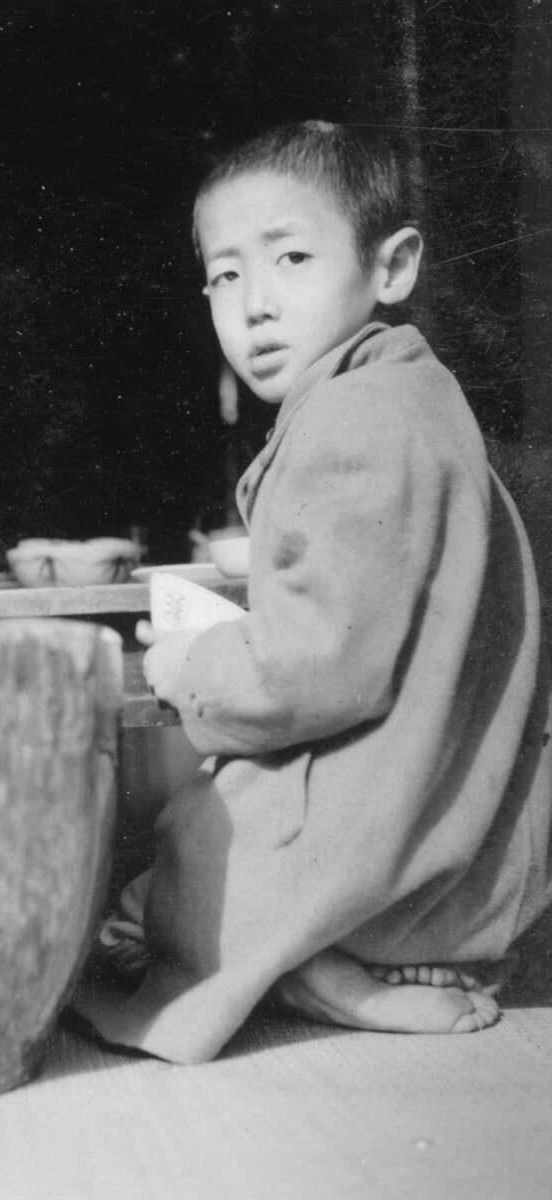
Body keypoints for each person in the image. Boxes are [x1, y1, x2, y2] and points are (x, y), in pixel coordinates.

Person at [74, 120, 552, 1064]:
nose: (255, 305)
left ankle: (309, 966)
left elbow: (317, 668)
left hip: (389, 850)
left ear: (393, 266)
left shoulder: (355, 421)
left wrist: (193, 662)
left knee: (138, 906)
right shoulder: (403, 393)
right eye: (225, 275)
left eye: (291, 257)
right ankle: (322, 963)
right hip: (455, 834)